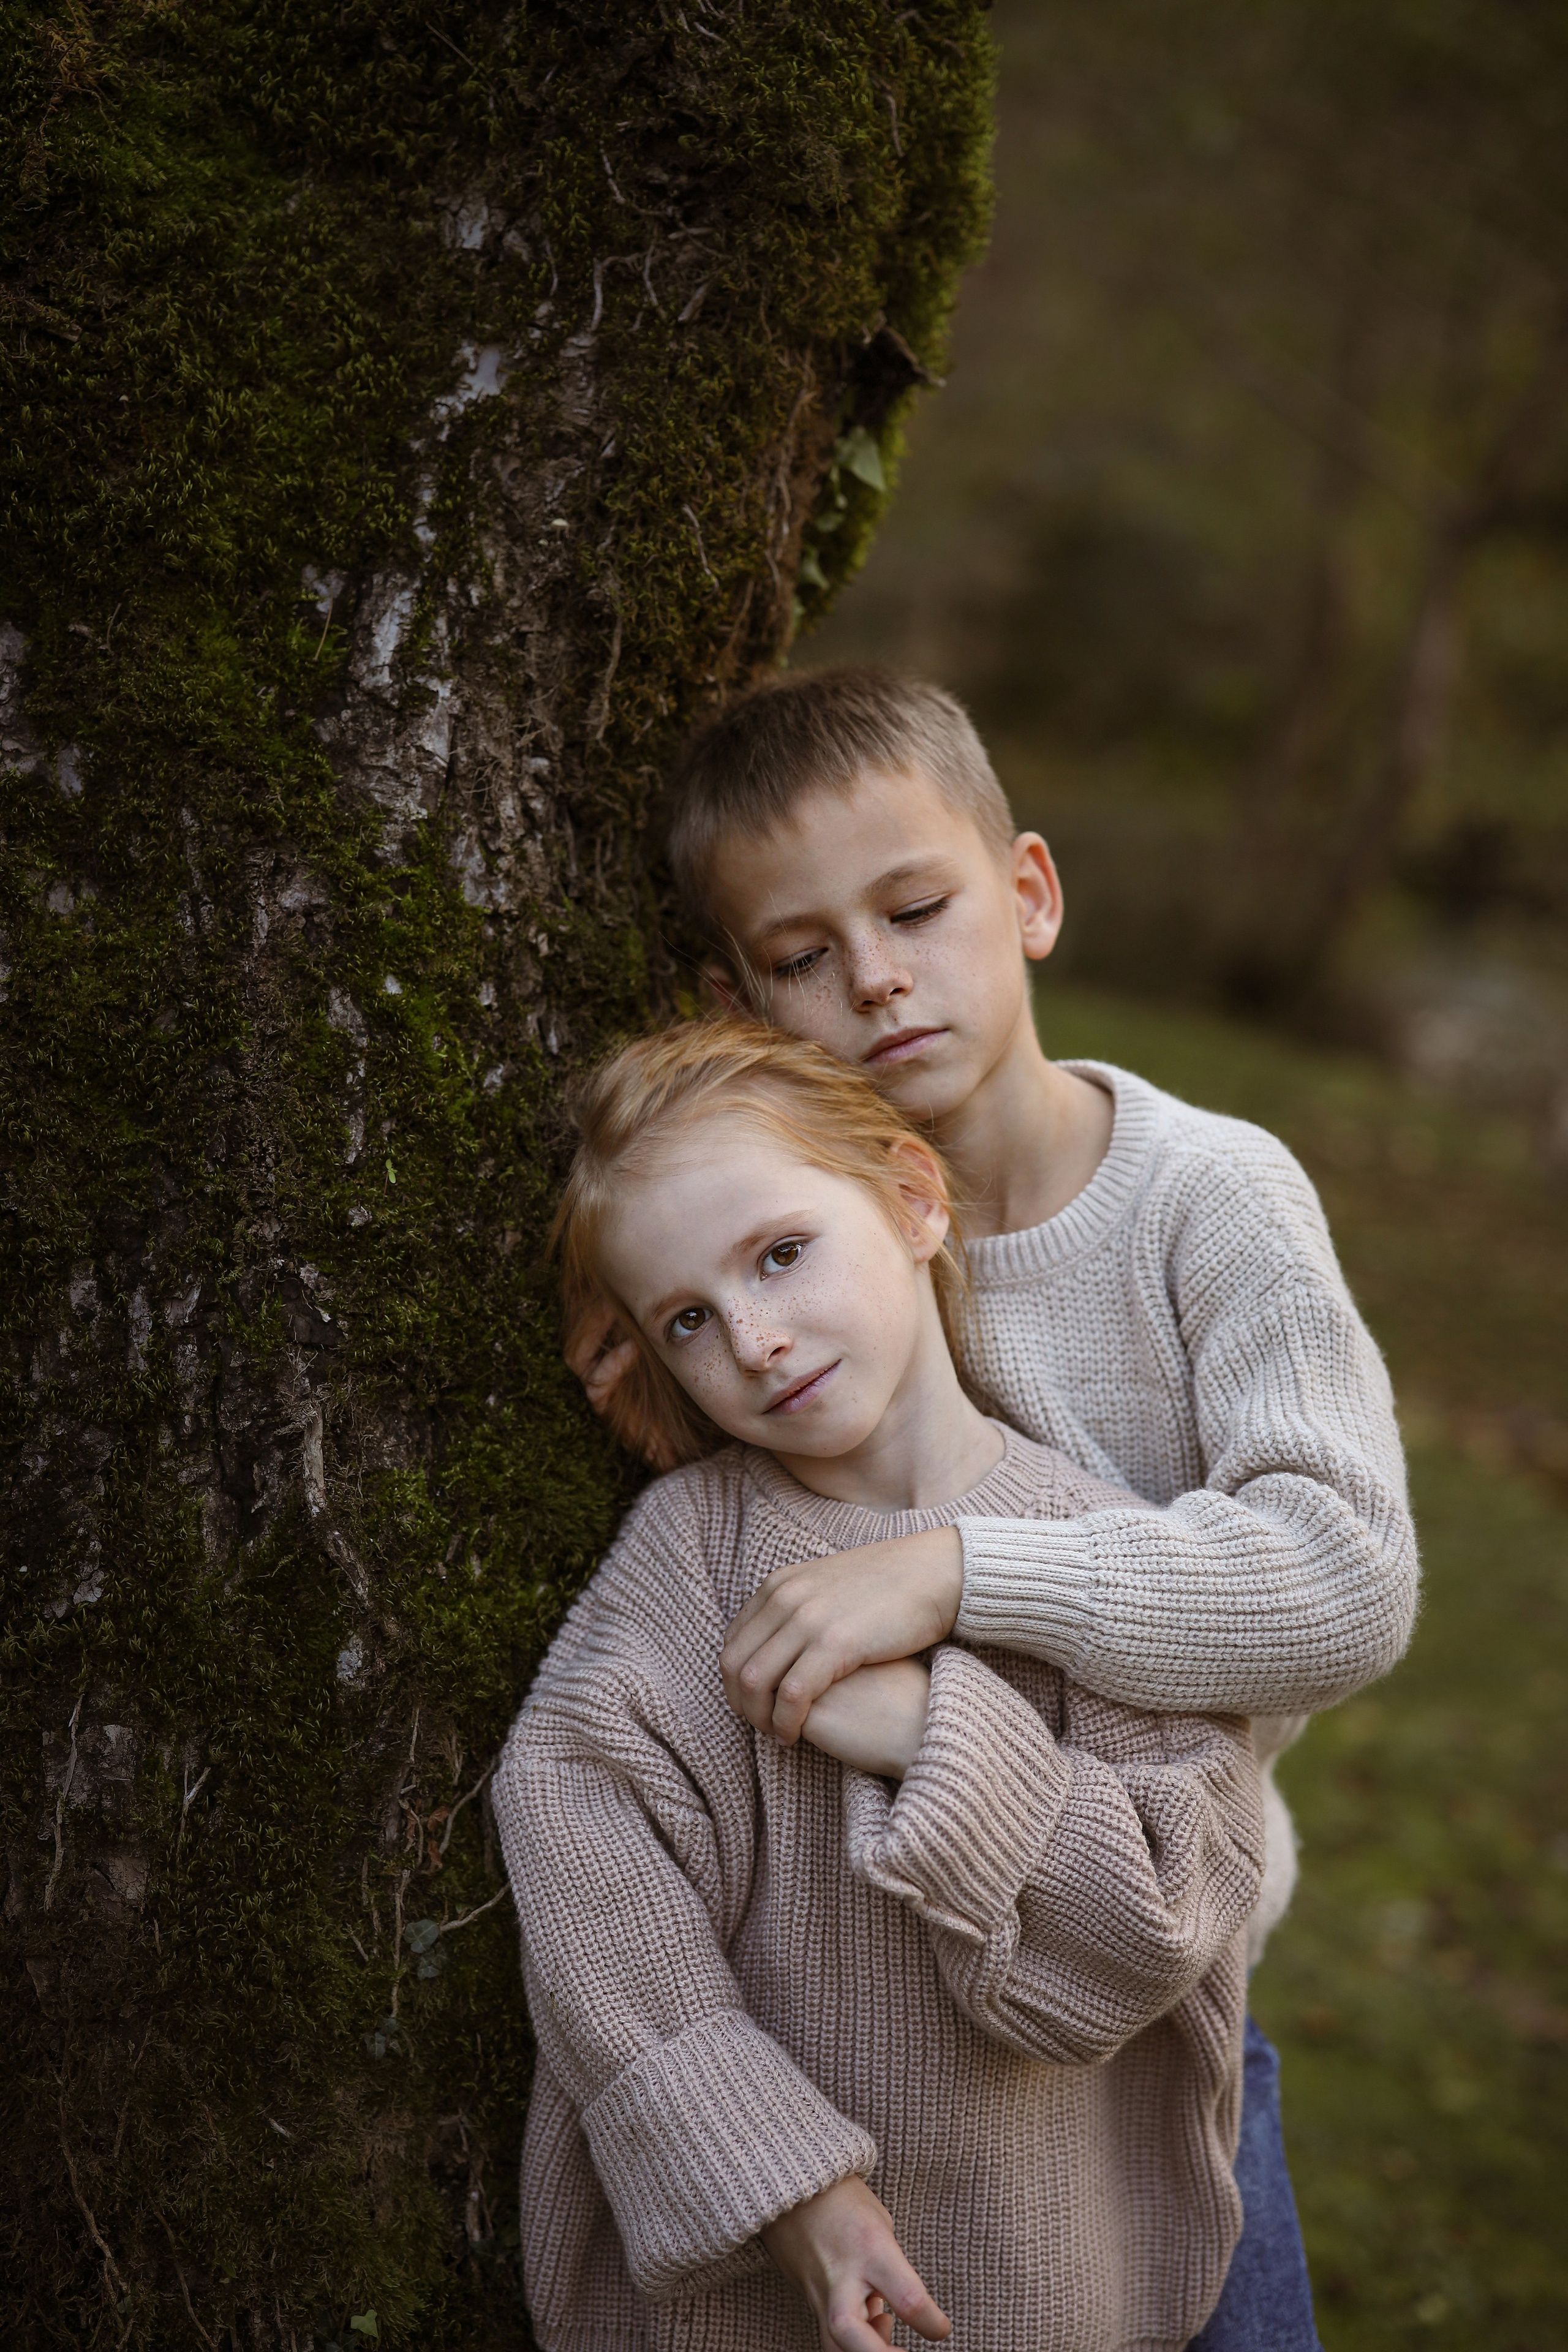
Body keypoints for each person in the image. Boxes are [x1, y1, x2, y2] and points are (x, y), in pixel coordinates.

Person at [569, 667, 1420, 2350]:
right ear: (744, 997)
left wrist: (957, 1574)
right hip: (868, 1970)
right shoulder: (815, 1241)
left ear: (1026, 894)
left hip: (1153, 1949)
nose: (876, 978)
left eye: (915, 907)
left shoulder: (1206, 1196)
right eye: (802, 956)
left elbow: (1346, 1584)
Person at [496, 1019, 1266, 2352]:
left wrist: (936, 1735)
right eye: (687, 1319)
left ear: (913, 1201)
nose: (753, 1338)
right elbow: (579, 1847)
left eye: (779, 1255)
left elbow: (1165, 1909)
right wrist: (786, 2182)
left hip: (1037, 2271)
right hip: (748, 2292)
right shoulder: (693, 1555)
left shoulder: (1098, 1554)